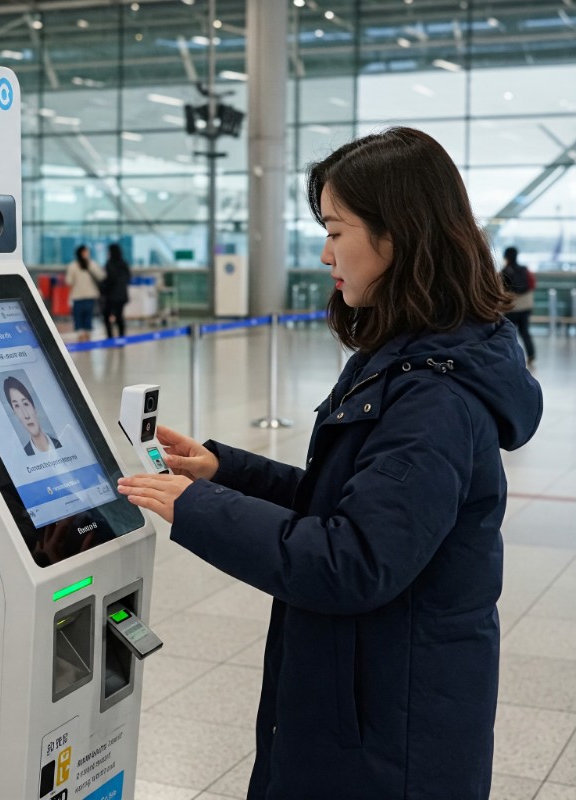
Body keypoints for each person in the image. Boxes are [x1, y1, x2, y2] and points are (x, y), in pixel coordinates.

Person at [117, 128, 543, 799]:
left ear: (397, 235)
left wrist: (193, 508)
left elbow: (352, 561)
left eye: (336, 230)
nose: (324, 253)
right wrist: (222, 472)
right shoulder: (407, 358)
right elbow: (351, 503)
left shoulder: (434, 396)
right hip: (368, 703)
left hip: (390, 737)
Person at [2, 376, 62, 455]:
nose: (26, 415)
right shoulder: (23, 455)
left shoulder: (60, 443)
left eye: (26, 404)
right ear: (15, 414)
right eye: (17, 406)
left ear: (34, 408)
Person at [500, 246, 536, 367]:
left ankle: (509, 356)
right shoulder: (525, 270)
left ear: (506, 257)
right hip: (525, 307)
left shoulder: (505, 271)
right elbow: (532, 285)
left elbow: (501, 289)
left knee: (509, 333)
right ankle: (531, 356)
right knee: (525, 332)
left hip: (512, 307)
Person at [65, 244, 105, 342]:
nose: (87, 254)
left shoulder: (76, 265)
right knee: (84, 316)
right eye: (85, 252)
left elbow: (68, 281)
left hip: (83, 295)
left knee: (82, 316)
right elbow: (101, 276)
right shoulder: (89, 264)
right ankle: (84, 335)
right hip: (84, 295)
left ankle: (84, 335)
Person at [100, 242, 131, 339]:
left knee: (107, 316)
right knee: (119, 316)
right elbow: (128, 277)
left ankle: (110, 338)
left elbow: (110, 280)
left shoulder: (110, 264)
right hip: (122, 295)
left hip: (112, 295)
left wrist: (103, 288)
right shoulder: (123, 263)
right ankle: (121, 337)